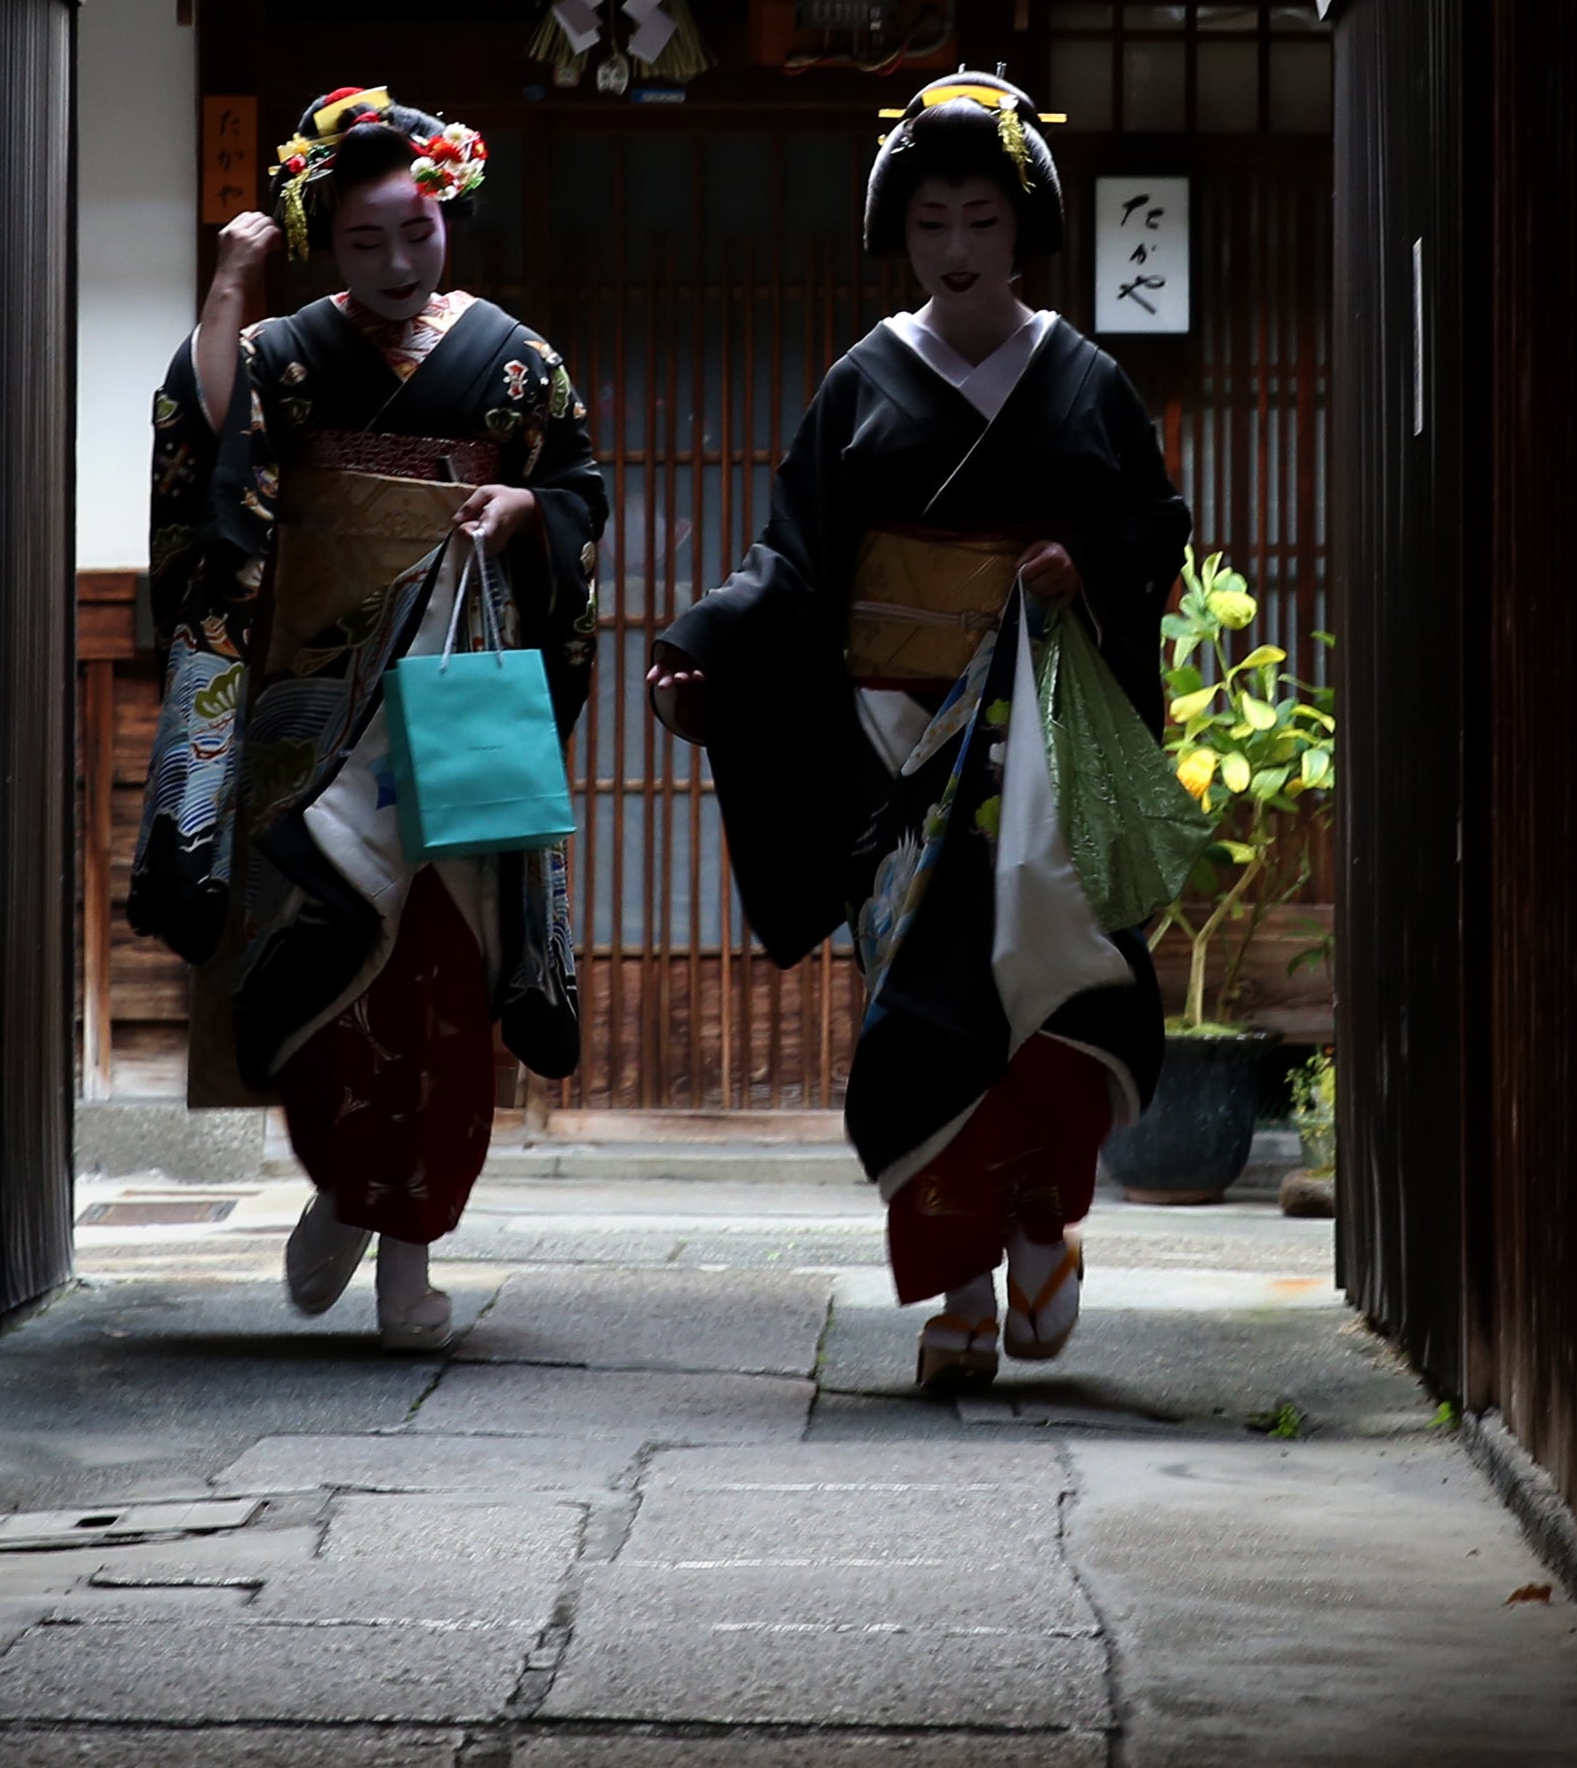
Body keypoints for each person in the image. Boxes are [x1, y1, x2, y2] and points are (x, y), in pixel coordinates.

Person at [647, 74, 1190, 1390]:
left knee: (1046, 995)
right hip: (898, 749)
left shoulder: (1085, 379)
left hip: (1040, 743)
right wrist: (701, 649)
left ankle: (1044, 1230)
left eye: (984, 223)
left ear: (1023, 232)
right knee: (923, 1017)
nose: (957, 250)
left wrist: (1083, 565)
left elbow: (1153, 538)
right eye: (934, 222)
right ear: (903, 231)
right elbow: (794, 564)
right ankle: (957, 1288)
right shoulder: (862, 382)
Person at [130, 86, 604, 1349]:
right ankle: (347, 1186)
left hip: (461, 683)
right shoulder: (287, 353)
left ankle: (411, 1256)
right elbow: (212, 450)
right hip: (316, 701)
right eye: (363, 243)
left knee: (443, 972)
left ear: (448, 210)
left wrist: (528, 515)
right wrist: (233, 284)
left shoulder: (515, 359)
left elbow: (580, 486)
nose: (397, 265)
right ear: (323, 240)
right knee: (325, 962)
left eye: (418, 233)